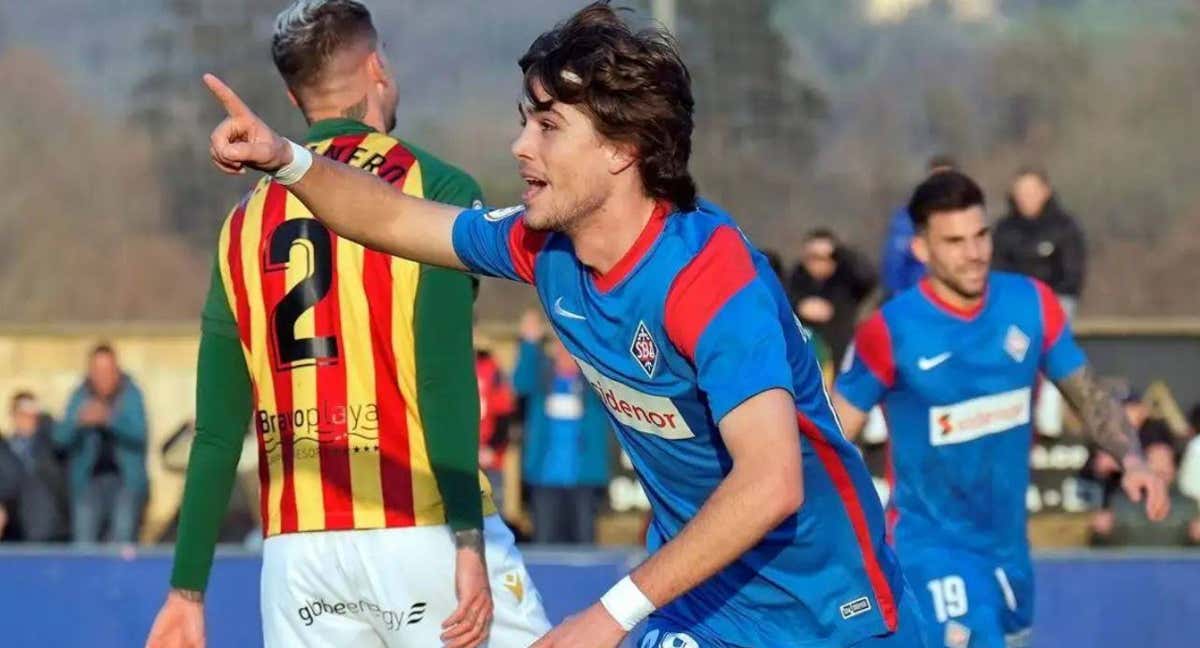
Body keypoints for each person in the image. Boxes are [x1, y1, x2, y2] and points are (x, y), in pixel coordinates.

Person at [200, 3, 930, 646]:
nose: (521, 147)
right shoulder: (547, 247)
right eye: (526, 123)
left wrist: (611, 613)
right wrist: (287, 160)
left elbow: (772, 482)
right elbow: (393, 216)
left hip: (828, 613)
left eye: (548, 127)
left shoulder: (708, 278)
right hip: (700, 608)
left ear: (622, 149)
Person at [147, 3, 550, 648]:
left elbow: (218, 431)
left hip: (296, 559)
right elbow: (443, 371)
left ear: (292, 94)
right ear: (377, 69)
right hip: (420, 522)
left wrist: (185, 590)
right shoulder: (435, 182)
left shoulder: (241, 225)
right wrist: (468, 539)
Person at [832, 170, 1168, 648]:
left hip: (1008, 547)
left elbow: (1088, 393)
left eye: (980, 235)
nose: (974, 253)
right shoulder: (891, 330)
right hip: (928, 545)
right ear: (922, 250)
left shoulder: (1030, 304)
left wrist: (1131, 458)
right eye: (954, 241)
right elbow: (833, 431)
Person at [993, 167, 1087, 438]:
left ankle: (1049, 418)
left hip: (1054, 303)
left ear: (1045, 191)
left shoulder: (1064, 227)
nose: (1027, 198)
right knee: (1013, 353)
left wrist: (1048, 301)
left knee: (1051, 353)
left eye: (1032, 192)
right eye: (1021, 193)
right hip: (1014, 307)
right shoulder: (1004, 230)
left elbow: (1073, 273)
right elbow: (998, 273)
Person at [513, 310, 611, 545]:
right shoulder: (542, 376)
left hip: (583, 479)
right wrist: (529, 343)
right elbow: (520, 383)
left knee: (584, 545)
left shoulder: (592, 383)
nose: (564, 352)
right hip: (545, 479)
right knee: (545, 543)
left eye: (570, 346)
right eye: (560, 344)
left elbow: (612, 374)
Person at [56, 344, 148, 544]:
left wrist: (110, 419)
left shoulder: (131, 394)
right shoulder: (80, 396)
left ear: (116, 371)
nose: (102, 376)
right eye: (97, 371)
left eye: (107, 370)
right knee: (83, 541)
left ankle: (120, 575)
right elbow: (60, 439)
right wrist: (79, 422)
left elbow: (140, 434)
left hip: (125, 480)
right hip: (88, 480)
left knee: (122, 537)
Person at [1090, 430, 1200, 547]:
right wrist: (1101, 534)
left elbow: (1191, 555)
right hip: (1130, 563)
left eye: (1163, 471)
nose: (1159, 476)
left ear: (1173, 470)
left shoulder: (1187, 506)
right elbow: (1102, 553)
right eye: (1155, 471)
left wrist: (1196, 538)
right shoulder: (1120, 502)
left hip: (1173, 563)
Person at [788, 228, 877, 364]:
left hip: (840, 359)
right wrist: (798, 305)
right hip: (805, 361)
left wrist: (842, 254)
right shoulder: (795, 280)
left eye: (826, 257)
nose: (819, 263)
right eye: (813, 257)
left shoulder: (848, 282)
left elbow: (869, 278)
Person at [880, 155, 957, 299]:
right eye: (937, 179)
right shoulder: (907, 218)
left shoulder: (968, 217)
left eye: (947, 179)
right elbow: (894, 265)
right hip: (918, 298)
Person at [0, 392, 69, 542]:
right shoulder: (4, 450)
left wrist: (46, 421)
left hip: (52, 529)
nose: (28, 420)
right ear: (13, 416)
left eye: (32, 415)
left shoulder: (50, 447)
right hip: (15, 528)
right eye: (23, 414)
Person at [475, 343, 517, 515]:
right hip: (461, 458)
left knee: (493, 516)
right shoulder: (447, 368)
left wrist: (491, 448)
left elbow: (504, 414)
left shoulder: (491, 368)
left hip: (490, 458)